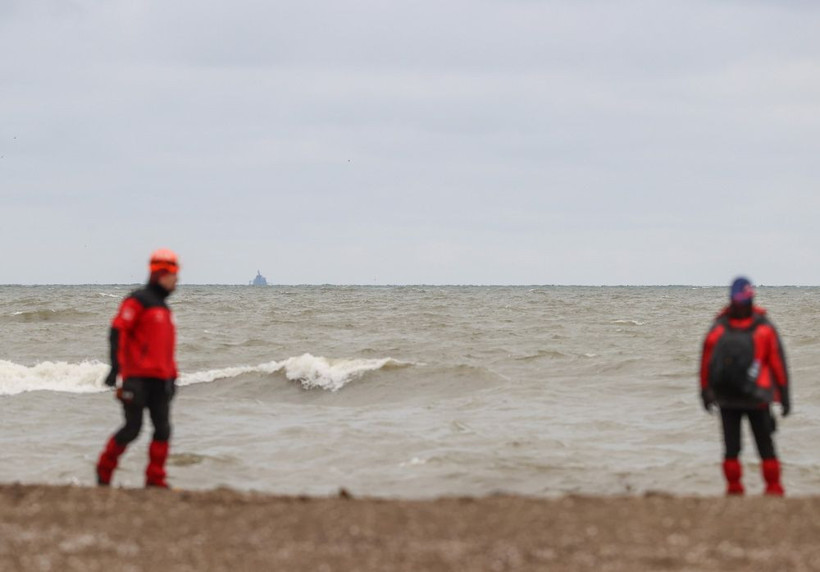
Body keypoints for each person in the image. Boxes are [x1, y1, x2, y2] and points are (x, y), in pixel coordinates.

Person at [96, 248, 180, 488]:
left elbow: (164, 349)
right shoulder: (138, 301)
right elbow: (117, 330)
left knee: (163, 429)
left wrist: (173, 377)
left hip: (161, 381)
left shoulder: (164, 309)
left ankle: (155, 480)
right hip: (137, 379)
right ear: (161, 274)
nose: (177, 280)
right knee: (132, 429)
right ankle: (104, 473)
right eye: (173, 275)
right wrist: (115, 369)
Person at [699, 276, 790, 496]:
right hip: (758, 397)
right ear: (752, 296)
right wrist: (784, 396)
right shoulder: (764, 327)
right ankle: (774, 488)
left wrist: (705, 392)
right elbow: (778, 364)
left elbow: (706, 364)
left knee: (731, 447)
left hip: (726, 397)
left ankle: (734, 488)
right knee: (765, 446)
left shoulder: (718, 327)